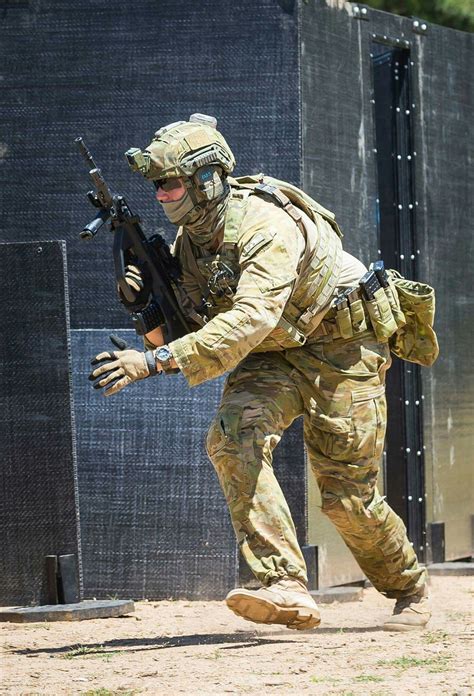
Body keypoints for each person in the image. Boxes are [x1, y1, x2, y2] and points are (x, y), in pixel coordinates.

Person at [89, 114, 431, 632]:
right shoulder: (190, 243)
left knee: (346, 498)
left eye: (172, 183)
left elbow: (250, 318)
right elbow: (190, 329)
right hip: (273, 352)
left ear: (207, 179)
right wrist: (147, 312)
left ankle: (408, 588)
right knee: (232, 439)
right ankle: (284, 583)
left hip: (342, 345)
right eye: (157, 185)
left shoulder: (264, 226)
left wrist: (154, 362)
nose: (163, 195)